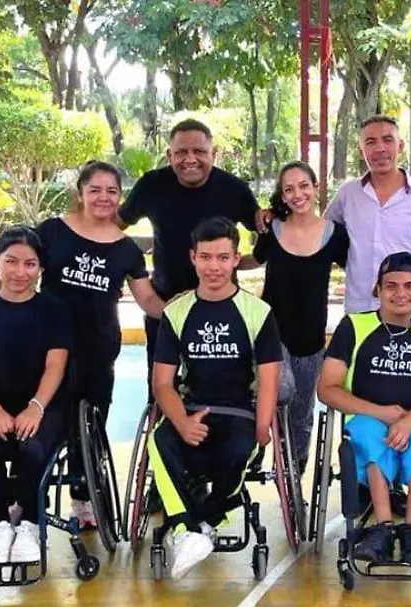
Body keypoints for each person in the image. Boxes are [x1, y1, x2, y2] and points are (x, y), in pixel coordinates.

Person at [0, 162, 164, 528]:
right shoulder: (53, 230)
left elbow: (147, 300)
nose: (103, 197)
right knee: (35, 419)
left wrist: (187, 311)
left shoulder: (126, 250)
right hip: (43, 342)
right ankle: (20, 496)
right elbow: (17, 262)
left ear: (120, 197)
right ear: (81, 192)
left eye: (112, 191)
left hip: (95, 347)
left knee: (88, 425)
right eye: (95, 189)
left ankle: (82, 499)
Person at [148, 217, 282, 579]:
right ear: (193, 258)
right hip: (192, 410)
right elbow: (162, 384)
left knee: (240, 449)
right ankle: (188, 528)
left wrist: (263, 427)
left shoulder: (258, 312)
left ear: (236, 259)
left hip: (239, 413)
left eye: (223, 258)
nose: (214, 267)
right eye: (206, 257)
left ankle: (202, 522)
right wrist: (182, 422)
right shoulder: (176, 313)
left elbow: (269, 378)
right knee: (159, 441)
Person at [317, 252, 411, 564]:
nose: (401, 293)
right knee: (368, 431)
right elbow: (327, 389)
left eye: (410, 286)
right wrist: (382, 413)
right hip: (367, 416)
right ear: (377, 289)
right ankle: (382, 526)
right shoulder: (354, 326)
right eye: (391, 285)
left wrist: (408, 421)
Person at [118, 119, 262, 386]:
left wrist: (240, 263)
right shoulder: (151, 185)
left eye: (199, 151)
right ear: (169, 155)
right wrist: (125, 267)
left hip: (222, 307)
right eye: (181, 152)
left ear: (214, 154)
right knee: (162, 389)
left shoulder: (234, 189)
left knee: (222, 389)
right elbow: (113, 228)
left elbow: (268, 234)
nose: (190, 159)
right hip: (164, 305)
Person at [0, 227, 73, 565]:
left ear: (40, 269)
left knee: (33, 445)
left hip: (44, 403)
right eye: (11, 261)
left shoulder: (55, 310)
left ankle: (28, 524)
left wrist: (36, 407)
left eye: (29, 264)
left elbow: (55, 366)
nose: (19, 272)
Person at [240, 160, 348, 471]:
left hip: (311, 336)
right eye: (289, 189)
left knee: (301, 412)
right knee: (281, 389)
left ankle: (293, 470)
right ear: (282, 195)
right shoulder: (272, 229)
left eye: (303, 186)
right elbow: (254, 259)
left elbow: (357, 270)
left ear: (316, 188)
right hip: (273, 332)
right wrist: (222, 265)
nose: (297, 194)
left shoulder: (335, 235)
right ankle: (259, 439)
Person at [319, 116, 411, 330]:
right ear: (361, 150)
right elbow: (317, 232)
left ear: (400, 146)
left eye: (388, 140)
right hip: (359, 314)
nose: (380, 148)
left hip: (408, 315)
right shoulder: (348, 195)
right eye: (371, 142)